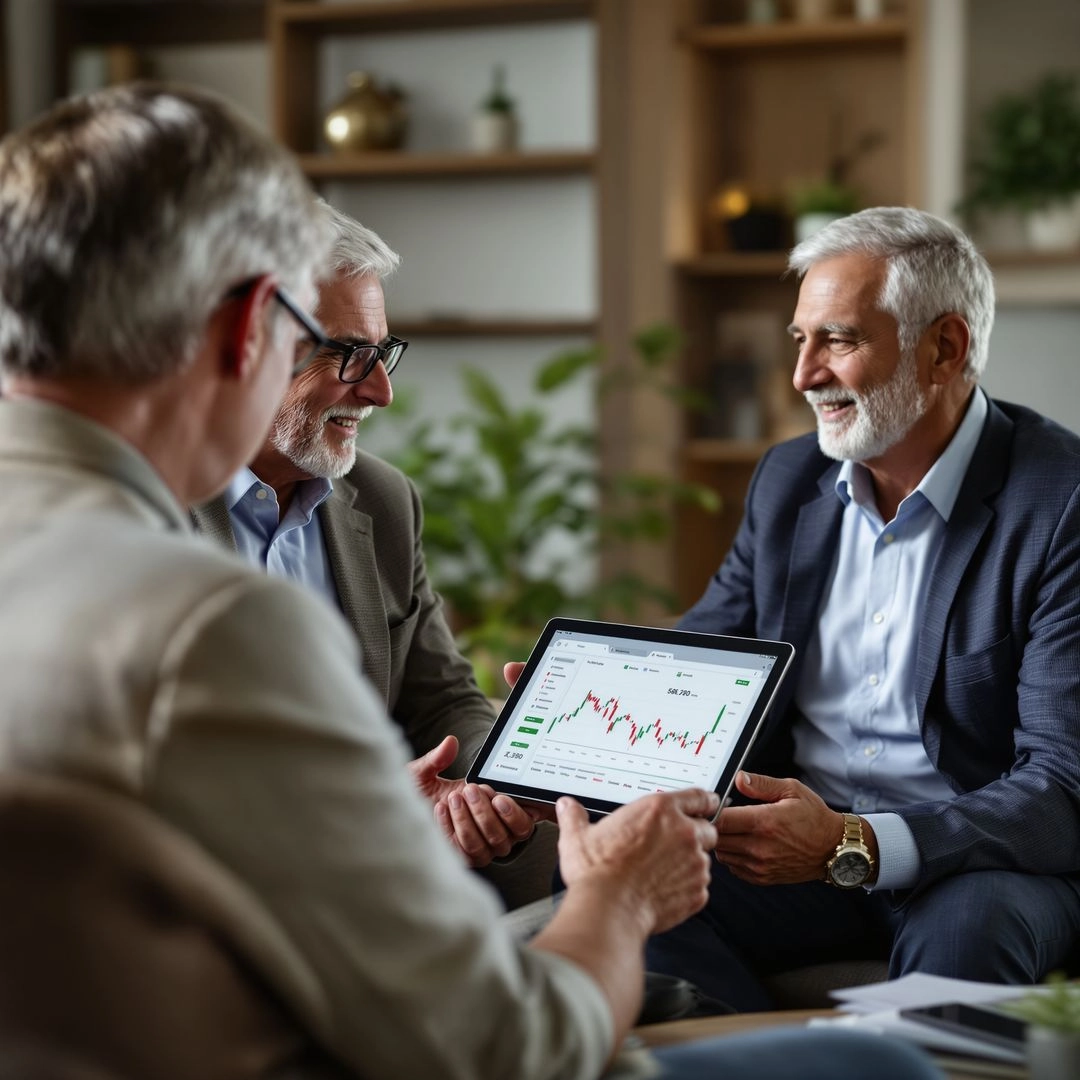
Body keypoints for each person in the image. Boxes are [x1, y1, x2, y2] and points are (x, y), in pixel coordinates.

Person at [0, 83, 946, 1080]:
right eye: (323, 346)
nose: (382, 390)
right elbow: (504, 1047)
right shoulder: (207, 622)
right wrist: (618, 898)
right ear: (246, 330)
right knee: (878, 1070)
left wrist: (407, 809)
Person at [646, 206, 1080, 1011]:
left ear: (944, 348)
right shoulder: (787, 481)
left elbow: (1062, 784)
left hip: (981, 866)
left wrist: (854, 842)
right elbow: (703, 668)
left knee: (968, 937)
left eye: (838, 340)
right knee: (623, 885)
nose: (803, 375)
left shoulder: (1061, 504)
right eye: (799, 341)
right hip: (794, 853)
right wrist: (585, 726)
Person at [193, 202, 538, 872]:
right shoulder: (140, 508)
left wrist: (497, 779)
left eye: (381, 354)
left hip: (380, 867)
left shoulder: (381, 501)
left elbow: (442, 699)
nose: (379, 391)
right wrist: (373, 812)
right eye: (347, 354)